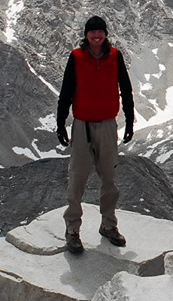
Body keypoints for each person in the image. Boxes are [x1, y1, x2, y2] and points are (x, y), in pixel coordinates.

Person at [56, 15, 135, 254]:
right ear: (86, 35)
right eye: (93, 32)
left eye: (100, 32)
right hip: (82, 126)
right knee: (77, 179)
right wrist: (61, 123)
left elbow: (126, 88)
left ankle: (108, 226)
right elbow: (66, 91)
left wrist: (129, 120)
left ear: (105, 34)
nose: (97, 36)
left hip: (108, 124)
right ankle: (72, 231)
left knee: (109, 180)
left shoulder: (115, 56)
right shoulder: (77, 57)